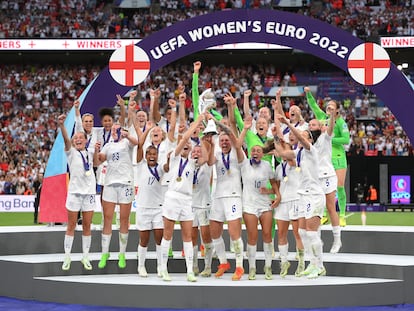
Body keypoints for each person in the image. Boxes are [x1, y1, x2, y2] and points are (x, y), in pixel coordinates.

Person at [273, 113, 326, 279]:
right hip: (303, 196)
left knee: (311, 233)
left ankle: (320, 266)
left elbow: (300, 140)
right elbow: (283, 154)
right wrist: (276, 137)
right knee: (303, 233)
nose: (301, 136)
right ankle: (312, 264)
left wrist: (288, 123)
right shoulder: (299, 153)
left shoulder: (312, 150)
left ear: (310, 139)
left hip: (314, 195)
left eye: (305, 134)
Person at [159, 111, 207, 282]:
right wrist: (197, 122)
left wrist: (201, 135)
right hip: (172, 197)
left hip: (187, 199)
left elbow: (206, 158)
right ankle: (163, 268)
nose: (186, 143)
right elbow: (185, 136)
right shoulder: (173, 156)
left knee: (188, 236)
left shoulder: (193, 162)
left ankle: (189, 271)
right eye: (183, 142)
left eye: (188, 144)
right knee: (168, 234)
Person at [94, 100, 139, 269]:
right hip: (111, 184)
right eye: (113, 129)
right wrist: (97, 150)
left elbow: (138, 143)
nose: (115, 131)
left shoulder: (127, 142)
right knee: (107, 219)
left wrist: (128, 135)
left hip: (126, 184)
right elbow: (100, 160)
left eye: (117, 129)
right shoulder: (108, 145)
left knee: (124, 220)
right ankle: (105, 253)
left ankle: (122, 254)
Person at [207, 112, 248, 281]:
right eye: (221, 140)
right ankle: (223, 262)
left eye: (226, 140)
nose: (224, 142)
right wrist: (210, 146)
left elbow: (232, 130)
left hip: (233, 196)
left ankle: (239, 266)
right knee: (214, 231)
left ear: (231, 140)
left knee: (234, 232)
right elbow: (209, 163)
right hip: (218, 196)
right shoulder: (216, 153)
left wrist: (217, 120)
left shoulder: (238, 153)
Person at [305, 87, 350, 227]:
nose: (328, 109)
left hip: (338, 157)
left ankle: (342, 215)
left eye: (331, 107)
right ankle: (324, 214)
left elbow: (346, 140)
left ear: (337, 110)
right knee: (323, 187)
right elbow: (312, 105)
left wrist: (329, 138)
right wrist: (308, 93)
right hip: (325, 158)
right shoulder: (322, 118)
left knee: (339, 187)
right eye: (327, 106)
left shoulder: (341, 123)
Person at [58, 114, 96, 271]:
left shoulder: (91, 152)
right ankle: (67, 257)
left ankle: (85, 257)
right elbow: (67, 141)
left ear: (86, 141)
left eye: (81, 137)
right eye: (76, 138)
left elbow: (99, 161)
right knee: (71, 225)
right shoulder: (70, 152)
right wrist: (62, 127)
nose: (79, 139)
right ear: (74, 142)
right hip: (74, 193)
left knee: (87, 225)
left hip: (89, 194)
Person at [241, 139, 281, 281]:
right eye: (253, 151)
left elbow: (274, 184)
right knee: (252, 236)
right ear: (250, 153)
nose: (256, 152)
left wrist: (274, 193)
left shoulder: (267, 166)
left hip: (265, 204)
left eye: (258, 151)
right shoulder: (244, 164)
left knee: (267, 235)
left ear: (263, 154)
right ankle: (252, 268)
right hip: (249, 205)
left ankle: (268, 267)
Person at [307, 108, 342, 254]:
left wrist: (332, 115)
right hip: (315, 179)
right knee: (316, 210)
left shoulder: (325, 137)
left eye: (313, 125)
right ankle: (317, 244)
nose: (310, 127)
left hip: (327, 176)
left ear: (320, 127)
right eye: (309, 125)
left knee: (330, 207)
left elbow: (331, 127)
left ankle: (337, 240)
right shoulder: (307, 142)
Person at [135, 121, 166, 277]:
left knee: (160, 238)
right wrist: (147, 130)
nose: (152, 156)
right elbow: (140, 145)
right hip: (143, 207)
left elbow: (167, 167)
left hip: (158, 208)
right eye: (150, 154)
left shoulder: (161, 167)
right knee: (144, 239)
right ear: (146, 156)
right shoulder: (140, 165)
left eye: (154, 154)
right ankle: (141, 265)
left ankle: (161, 266)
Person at [190, 132, 215, 277]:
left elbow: (207, 156)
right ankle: (193, 265)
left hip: (204, 204)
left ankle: (207, 266)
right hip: (190, 205)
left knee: (206, 236)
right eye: (195, 151)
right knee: (192, 236)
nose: (197, 153)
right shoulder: (188, 165)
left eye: (199, 151)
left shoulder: (207, 165)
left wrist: (205, 142)